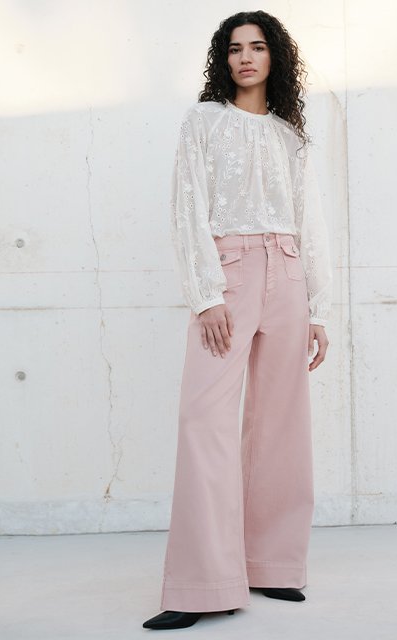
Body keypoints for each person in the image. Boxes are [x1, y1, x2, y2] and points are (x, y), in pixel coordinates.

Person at [143, 10, 332, 630]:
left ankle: (272, 564)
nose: (245, 58)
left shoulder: (289, 136)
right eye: (233, 49)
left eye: (256, 47)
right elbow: (187, 206)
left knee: (281, 422)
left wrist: (318, 308)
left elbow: (310, 219)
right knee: (204, 420)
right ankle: (201, 584)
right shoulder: (203, 121)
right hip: (229, 275)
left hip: (289, 273)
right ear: (222, 60)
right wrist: (206, 294)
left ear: (275, 56)